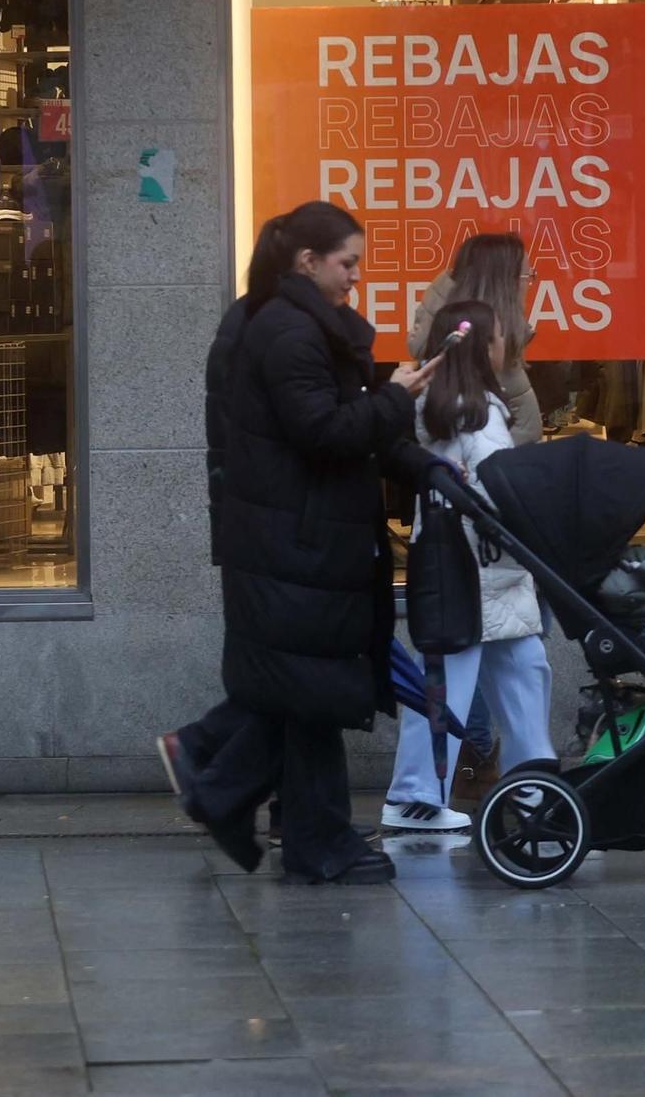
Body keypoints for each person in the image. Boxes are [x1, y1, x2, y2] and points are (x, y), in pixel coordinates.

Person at [157, 201, 440, 884]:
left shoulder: (284, 323)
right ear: (308, 262)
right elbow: (327, 431)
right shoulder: (289, 332)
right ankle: (252, 800)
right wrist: (397, 397)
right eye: (347, 265)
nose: (355, 280)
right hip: (299, 542)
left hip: (298, 538)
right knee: (311, 691)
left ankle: (244, 791)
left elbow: (341, 427)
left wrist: (417, 457)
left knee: (305, 692)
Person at [383, 300, 557, 831]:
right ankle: (417, 796)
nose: (509, 342)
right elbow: (495, 486)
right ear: (484, 345)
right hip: (480, 569)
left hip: (473, 569)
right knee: (465, 681)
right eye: (502, 334)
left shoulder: (444, 403)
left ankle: (537, 794)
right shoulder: (476, 409)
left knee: (519, 675)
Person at [409, 234, 540, 446]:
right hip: (494, 469)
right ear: (504, 282)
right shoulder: (484, 347)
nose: (527, 285)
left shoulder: (475, 339)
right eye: (526, 276)